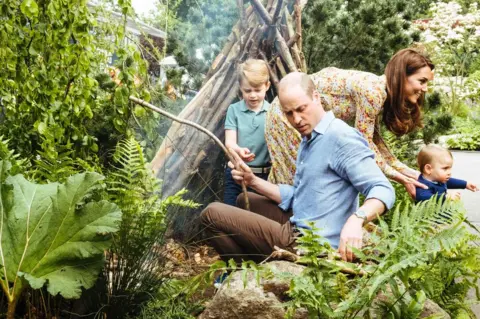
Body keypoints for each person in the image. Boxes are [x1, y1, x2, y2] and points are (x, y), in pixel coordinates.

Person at [201, 72, 395, 264]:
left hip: (310, 244)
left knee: (211, 214)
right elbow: (301, 196)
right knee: (243, 199)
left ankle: (247, 270)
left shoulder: (341, 137)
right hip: (303, 221)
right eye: (289, 113)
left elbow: (383, 189)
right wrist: (252, 181)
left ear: (316, 97)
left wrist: (357, 219)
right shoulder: (309, 138)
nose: (297, 120)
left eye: (301, 109)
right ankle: (259, 262)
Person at [265, 48, 435, 198]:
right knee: (300, 182)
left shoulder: (379, 91)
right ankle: (291, 231)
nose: (425, 88)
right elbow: (364, 145)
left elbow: (375, 141)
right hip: (286, 113)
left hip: (296, 114)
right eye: (422, 81)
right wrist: (398, 177)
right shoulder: (373, 92)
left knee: (295, 180)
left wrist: (407, 171)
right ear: (402, 76)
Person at [223, 59, 271, 206]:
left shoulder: (272, 112)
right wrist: (238, 150)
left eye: (257, 90)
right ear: (240, 88)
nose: (253, 95)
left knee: (256, 220)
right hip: (236, 173)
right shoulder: (234, 110)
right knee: (231, 215)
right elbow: (229, 142)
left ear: (267, 86)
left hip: (263, 177)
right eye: (247, 90)